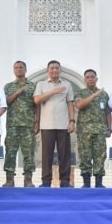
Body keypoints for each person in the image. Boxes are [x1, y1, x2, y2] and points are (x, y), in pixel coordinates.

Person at [34, 60, 76, 188]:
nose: (54, 70)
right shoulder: (41, 84)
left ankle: (65, 181)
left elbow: (70, 103)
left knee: (64, 155)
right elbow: (37, 100)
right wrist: (53, 91)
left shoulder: (67, 84)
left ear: (60, 70)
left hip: (63, 125)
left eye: (57, 68)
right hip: (46, 125)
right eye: (52, 68)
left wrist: (72, 121)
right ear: (48, 70)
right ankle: (46, 182)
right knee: (47, 155)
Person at [2, 61, 38, 187]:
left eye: (21, 67)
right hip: (12, 125)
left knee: (29, 152)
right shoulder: (8, 86)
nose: (18, 69)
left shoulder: (33, 86)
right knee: (10, 152)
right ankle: (9, 179)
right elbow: (6, 102)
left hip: (28, 124)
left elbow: (37, 105)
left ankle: (28, 179)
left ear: (25, 69)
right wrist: (18, 92)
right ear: (13, 70)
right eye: (16, 68)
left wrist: (37, 122)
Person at [75, 69, 111, 188]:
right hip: (84, 131)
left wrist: (109, 128)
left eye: (92, 77)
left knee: (100, 155)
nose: (90, 79)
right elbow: (80, 105)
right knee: (85, 156)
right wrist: (94, 95)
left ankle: (99, 182)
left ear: (96, 79)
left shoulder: (104, 94)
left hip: (100, 130)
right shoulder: (80, 93)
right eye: (88, 77)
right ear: (85, 80)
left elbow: (107, 112)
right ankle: (86, 182)